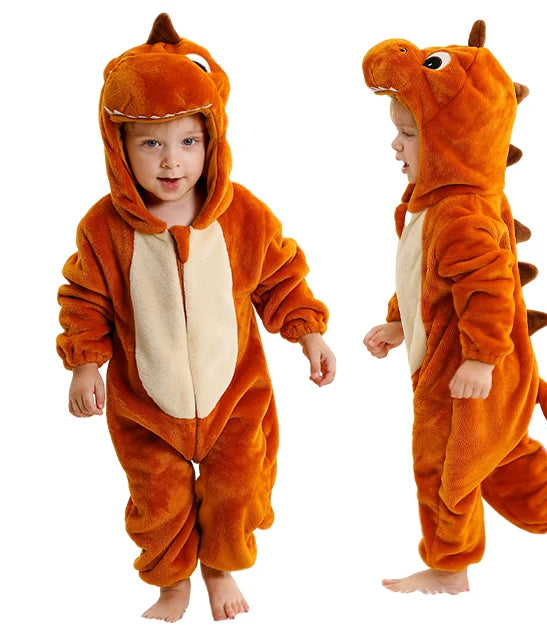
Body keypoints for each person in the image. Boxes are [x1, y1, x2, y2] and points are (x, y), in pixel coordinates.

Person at [57, 14, 335, 623]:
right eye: (150, 144)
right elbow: (84, 299)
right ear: (119, 147)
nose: (170, 162)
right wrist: (84, 366)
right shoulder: (104, 228)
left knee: (239, 487)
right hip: (145, 407)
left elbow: (281, 277)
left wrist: (309, 333)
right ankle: (171, 583)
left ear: (213, 141)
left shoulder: (243, 216)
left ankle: (220, 566)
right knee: (156, 501)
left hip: (235, 395)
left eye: (188, 142)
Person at [362, 23, 547, 596]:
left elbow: (490, 288)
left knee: (443, 466)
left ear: (452, 141)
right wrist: (398, 322)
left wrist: (480, 358)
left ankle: (449, 568)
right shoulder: (430, 205)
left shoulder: (460, 215)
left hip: (464, 369)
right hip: (487, 365)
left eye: (408, 134)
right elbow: (423, 278)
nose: (395, 146)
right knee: (498, 452)